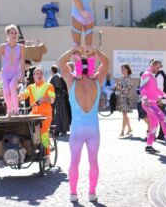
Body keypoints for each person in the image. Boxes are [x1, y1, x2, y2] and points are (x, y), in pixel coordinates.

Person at [58, 46, 108, 203]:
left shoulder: (72, 81)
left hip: (77, 131)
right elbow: (106, 63)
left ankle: (73, 194)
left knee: (74, 161)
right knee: (93, 162)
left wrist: (73, 50)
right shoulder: (97, 81)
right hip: (93, 131)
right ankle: (92, 193)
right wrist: (95, 51)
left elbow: (61, 62)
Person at [71, 0, 99, 79]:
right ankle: (91, 72)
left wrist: (81, 11)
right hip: (90, 15)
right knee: (89, 46)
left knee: (76, 45)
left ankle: (78, 73)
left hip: (78, 13)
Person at [21, 67, 55, 166]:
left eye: (41, 73)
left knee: (44, 133)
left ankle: (47, 157)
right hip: (34, 114)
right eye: (37, 73)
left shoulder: (49, 85)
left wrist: (46, 99)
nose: (39, 75)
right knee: (26, 131)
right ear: (34, 76)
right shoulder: (30, 87)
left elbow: (52, 99)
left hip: (45, 114)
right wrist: (17, 97)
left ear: (43, 75)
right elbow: (25, 95)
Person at [140, 60, 166, 153]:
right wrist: (144, 98)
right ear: (153, 65)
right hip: (148, 104)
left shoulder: (152, 76)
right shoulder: (146, 74)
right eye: (158, 67)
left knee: (154, 125)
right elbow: (142, 87)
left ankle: (149, 146)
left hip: (152, 103)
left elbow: (157, 90)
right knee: (163, 119)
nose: (158, 69)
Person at [0, 24, 26, 116]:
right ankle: (9, 110)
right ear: (7, 35)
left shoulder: (21, 47)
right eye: (11, 33)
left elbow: (22, 62)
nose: (14, 35)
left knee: (12, 86)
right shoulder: (3, 47)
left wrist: (23, 77)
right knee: (6, 91)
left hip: (16, 73)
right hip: (5, 74)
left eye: (15, 33)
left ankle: (16, 110)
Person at [49, 65, 71, 135]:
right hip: (59, 99)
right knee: (61, 114)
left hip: (58, 100)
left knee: (58, 114)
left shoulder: (55, 77)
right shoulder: (58, 76)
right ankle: (61, 129)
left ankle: (58, 130)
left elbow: (57, 87)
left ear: (52, 70)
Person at [155, 61, 166, 140]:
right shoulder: (160, 75)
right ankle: (162, 134)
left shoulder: (159, 76)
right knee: (161, 117)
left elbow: (159, 89)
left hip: (161, 100)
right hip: (162, 99)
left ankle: (162, 134)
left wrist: (159, 100)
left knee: (161, 118)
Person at [116, 64, 133, 137]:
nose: (122, 70)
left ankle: (122, 131)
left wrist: (120, 89)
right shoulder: (120, 78)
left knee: (124, 115)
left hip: (126, 99)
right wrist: (116, 87)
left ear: (127, 69)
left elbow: (128, 89)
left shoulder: (129, 78)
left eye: (123, 69)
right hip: (120, 99)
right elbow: (118, 86)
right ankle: (129, 128)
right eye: (121, 69)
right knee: (124, 115)